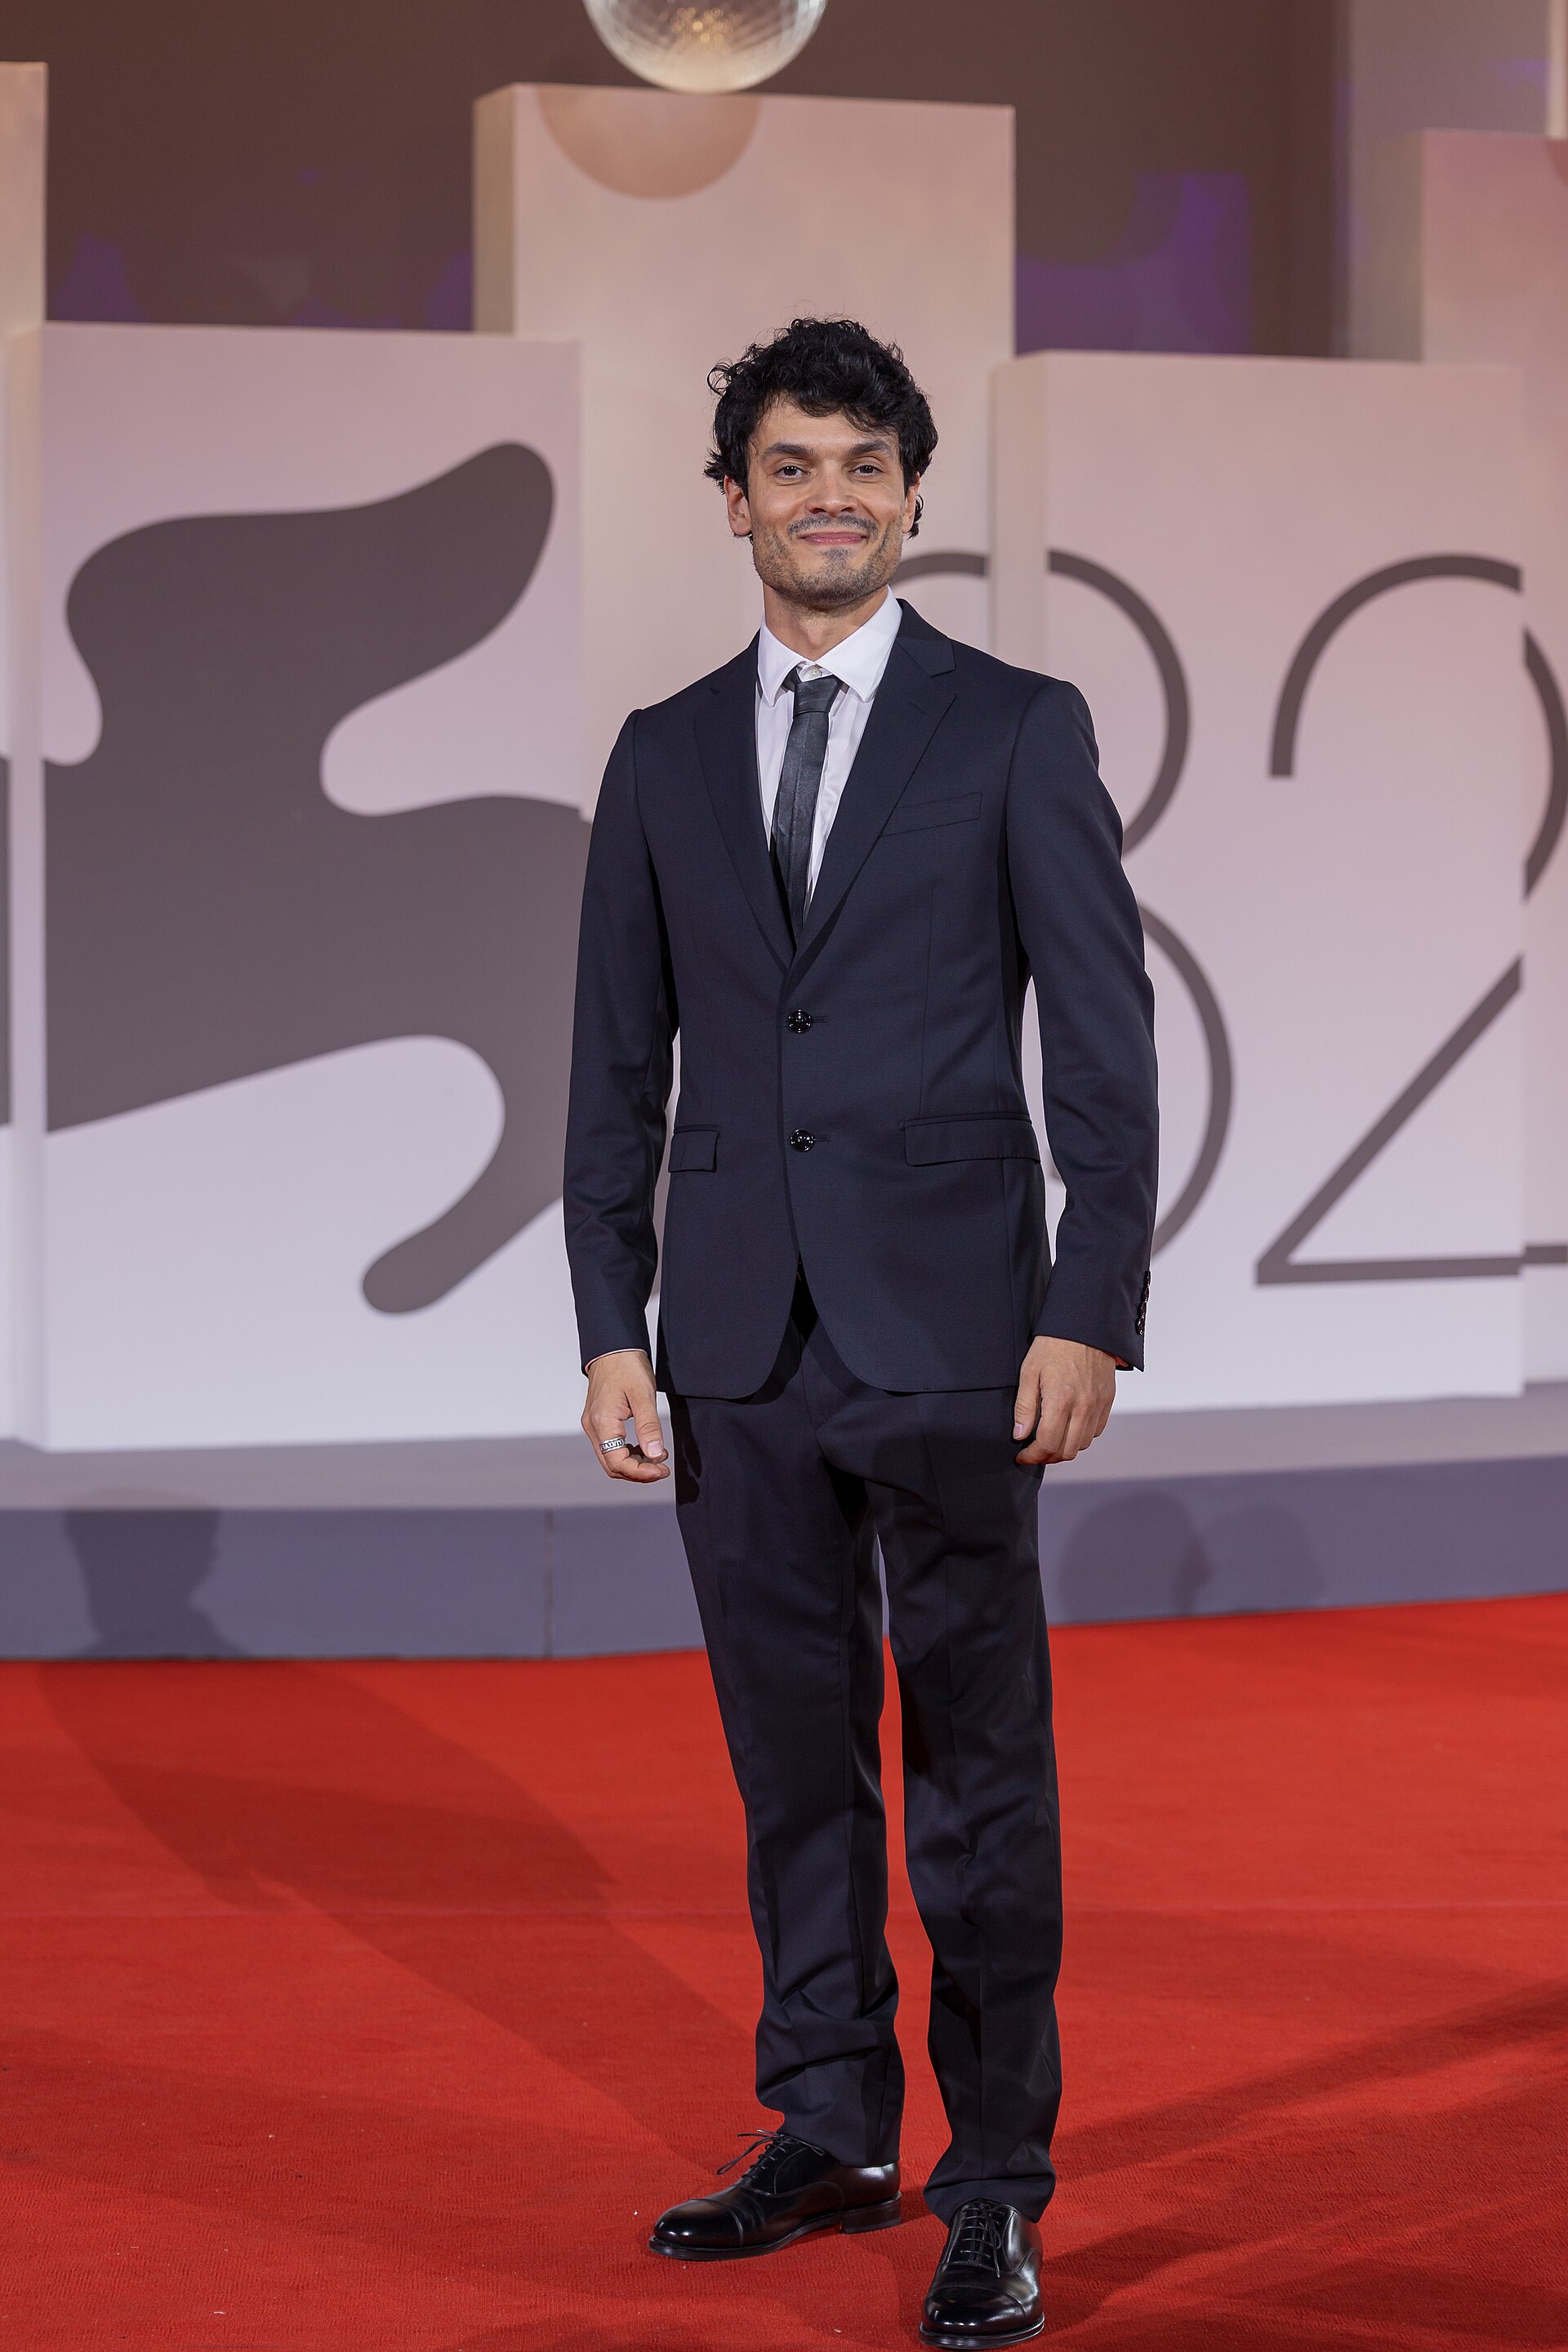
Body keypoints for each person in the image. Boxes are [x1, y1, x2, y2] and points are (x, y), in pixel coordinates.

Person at [564, 317, 1157, 2350]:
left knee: (979, 1771)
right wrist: (608, 1321)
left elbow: (1105, 1045)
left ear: (914, 494)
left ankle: (998, 2177)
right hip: (731, 1342)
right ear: (733, 500)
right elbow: (611, 1059)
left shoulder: (1016, 727)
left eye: (865, 463)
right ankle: (826, 2119)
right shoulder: (656, 751)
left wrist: (1095, 1306)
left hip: (960, 1333)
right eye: (791, 465)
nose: (831, 496)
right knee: (788, 1764)